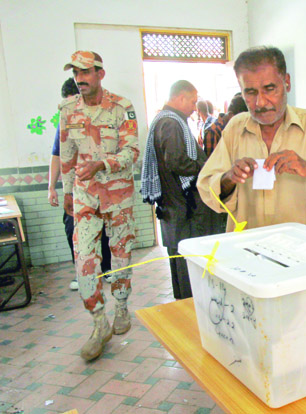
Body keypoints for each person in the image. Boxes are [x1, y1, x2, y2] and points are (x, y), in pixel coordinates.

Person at [197, 46, 306, 232]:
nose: (260, 102)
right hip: (250, 252)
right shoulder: (235, 129)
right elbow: (207, 188)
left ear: (286, 82)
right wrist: (229, 177)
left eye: (270, 89)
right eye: (251, 92)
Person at [59, 51, 139, 361]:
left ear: (100, 74)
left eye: (86, 71)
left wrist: (102, 165)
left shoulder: (121, 107)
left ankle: (120, 305)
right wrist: (66, 191)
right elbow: (67, 154)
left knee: (121, 254)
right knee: (84, 262)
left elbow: (131, 151)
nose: (80, 78)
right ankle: (98, 323)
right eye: (76, 72)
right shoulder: (67, 110)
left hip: (117, 195)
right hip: (85, 198)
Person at [141, 80, 226, 300]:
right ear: (180, 98)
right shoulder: (170, 123)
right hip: (184, 208)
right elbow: (177, 162)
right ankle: (189, 310)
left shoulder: (166, 120)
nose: (194, 106)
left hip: (175, 207)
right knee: (188, 262)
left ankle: (184, 306)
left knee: (180, 260)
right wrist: (205, 168)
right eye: (192, 100)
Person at [49, 79, 112, 291]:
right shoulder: (64, 122)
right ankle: (82, 271)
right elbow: (57, 155)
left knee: (102, 228)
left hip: (99, 186)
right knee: (72, 229)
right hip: (75, 189)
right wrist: (51, 188)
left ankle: (107, 269)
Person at [202, 92, 247, 157]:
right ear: (231, 116)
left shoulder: (233, 129)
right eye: (241, 120)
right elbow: (213, 163)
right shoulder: (213, 132)